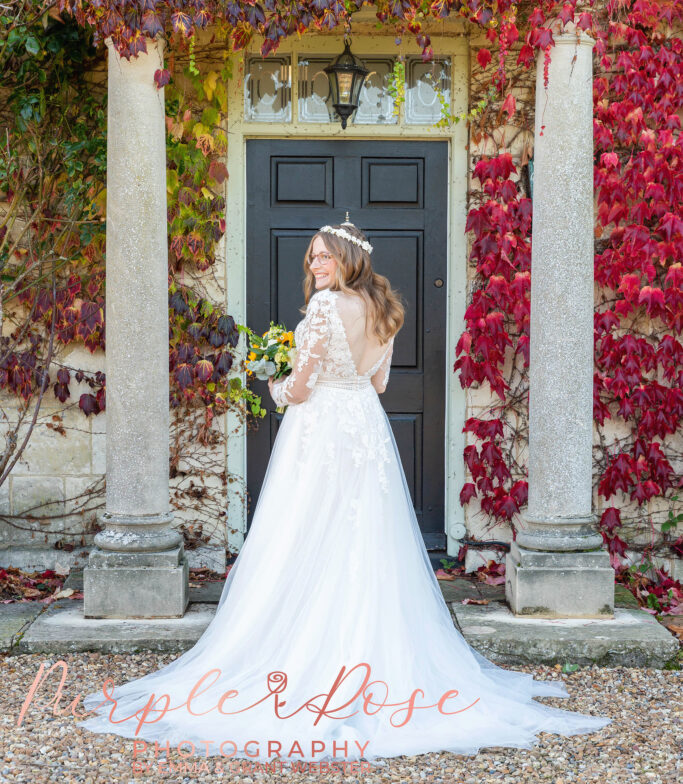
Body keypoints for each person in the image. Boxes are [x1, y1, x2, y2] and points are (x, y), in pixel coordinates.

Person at [76, 219, 611, 767]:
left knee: (306, 527)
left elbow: (301, 388)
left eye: (324, 257)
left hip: (323, 427)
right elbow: (378, 383)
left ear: (348, 258)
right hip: (365, 423)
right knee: (363, 534)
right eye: (312, 257)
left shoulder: (327, 307)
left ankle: (305, 655)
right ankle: (375, 661)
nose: (315, 265)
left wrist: (273, 381)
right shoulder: (385, 311)